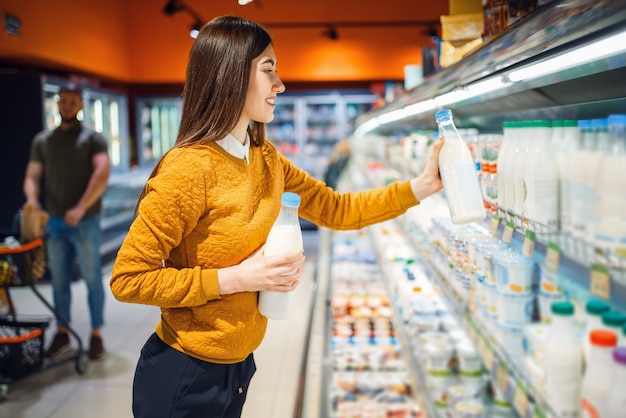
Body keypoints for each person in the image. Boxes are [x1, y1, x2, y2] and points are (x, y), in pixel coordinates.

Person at [110, 15, 444, 418]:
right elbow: (128, 279)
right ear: (231, 75)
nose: (280, 85)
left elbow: (337, 209)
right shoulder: (189, 169)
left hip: (238, 367)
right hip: (184, 374)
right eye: (268, 70)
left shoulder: (265, 159)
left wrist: (420, 187)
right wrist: (238, 278)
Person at [23, 82, 111, 360]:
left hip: (85, 220)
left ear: (81, 104)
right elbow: (32, 176)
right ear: (57, 102)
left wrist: (81, 207)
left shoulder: (92, 139)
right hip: (55, 222)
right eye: (63, 101)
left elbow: (102, 172)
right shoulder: (43, 140)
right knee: (59, 278)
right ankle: (62, 331)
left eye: (73, 101)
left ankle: (96, 333)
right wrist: (34, 202)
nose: (67, 106)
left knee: (91, 278)